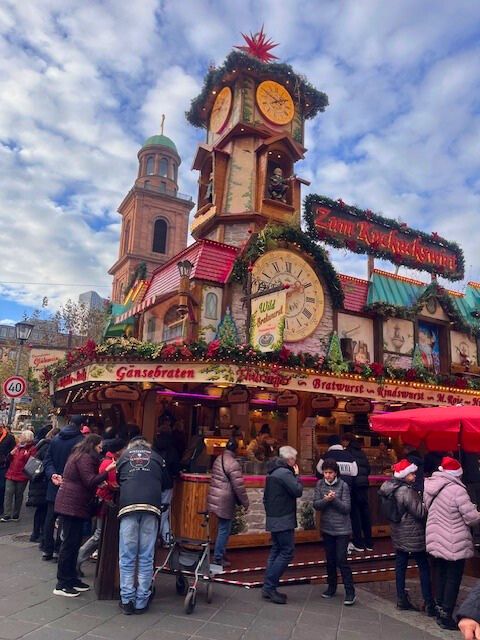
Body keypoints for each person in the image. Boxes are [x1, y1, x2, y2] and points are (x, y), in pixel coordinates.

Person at [53, 434, 115, 597]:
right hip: (72, 504)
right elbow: (89, 480)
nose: (101, 449)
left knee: (73, 543)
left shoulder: (81, 456)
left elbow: (85, 480)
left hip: (74, 504)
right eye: (100, 446)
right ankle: (62, 583)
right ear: (93, 445)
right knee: (69, 544)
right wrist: (106, 473)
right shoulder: (85, 458)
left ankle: (71, 579)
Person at [424, 456, 480, 630]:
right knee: (453, 578)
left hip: (436, 537)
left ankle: (439, 607)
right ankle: (446, 614)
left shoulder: (430, 485)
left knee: (440, 573)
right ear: (458, 473)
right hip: (454, 540)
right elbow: (471, 518)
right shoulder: (457, 490)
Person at [378, 459, 435, 614]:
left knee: (400, 565)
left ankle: (401, 598)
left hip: (398, 531)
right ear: (404, 475)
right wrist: (424, 503)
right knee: (423, 565)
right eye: (412, 473)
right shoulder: (406, 491)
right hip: (412, 533)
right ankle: (429, 602)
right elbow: (420, 513)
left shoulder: (389, 488)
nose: (414, 476)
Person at [116, 435, 165, 615]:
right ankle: (141, 601)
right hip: (151, 508)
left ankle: (127, 600)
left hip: (128, 507)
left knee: (127, 556)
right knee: (146, 556)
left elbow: (118, 478)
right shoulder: (157, 457)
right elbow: (166, 482)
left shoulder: (124, 456)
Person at [76, 438, 125, 575]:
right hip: (106, 503)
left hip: (103, 502)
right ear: (118, 451)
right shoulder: (110, 463)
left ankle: (80, 558)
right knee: (99, 535)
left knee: (99, 534)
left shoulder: (105, 460)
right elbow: (110, 484)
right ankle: (78, 558)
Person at [262, 446, 303, 604]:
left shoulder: (271, 473)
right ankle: (270, 586)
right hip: (284, 518)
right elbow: (297, 490)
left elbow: (265, 498)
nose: (295, 462)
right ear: (289, 460)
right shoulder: (285, 473)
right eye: (294, 459)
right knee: (287, 551)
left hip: (273, 517)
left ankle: (268, 585)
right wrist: (297, 476)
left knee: (276, 550)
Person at [313, 458, 356, 605]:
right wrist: (326, 500)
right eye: (325, 473)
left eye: (330, 473)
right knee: (330, 560)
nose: (327, 475)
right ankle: (331, 587)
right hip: (327, 528)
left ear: (336, 473)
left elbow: (347, 508)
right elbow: (316, 505)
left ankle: (350, 592)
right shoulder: (319, 484)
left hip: (342, 529)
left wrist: (334, 500)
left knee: (341, 560)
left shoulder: (343, 485)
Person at [42, 415, 84, 560]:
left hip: (54, 483)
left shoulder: (56, 439)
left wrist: (53, 475)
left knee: (50, 517)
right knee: (65, 520)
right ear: (81, 426)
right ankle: (58, 549)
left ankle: (47, 548)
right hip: (70, 484)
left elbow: (48, 460)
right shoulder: (81, 442)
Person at [207, 438, 249, 567]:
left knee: (222, 528)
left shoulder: (218, 459)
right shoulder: (233, 463)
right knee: (224, 529)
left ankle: (221, 553)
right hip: (225, 500)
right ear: (235, 449)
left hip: (215, 498)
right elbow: (239, 486)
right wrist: (245, 502)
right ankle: (218, 557)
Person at [27, 427, 60, 543]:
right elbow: (47, 464)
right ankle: (39, 534)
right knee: (43, 510)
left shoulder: (42, 444)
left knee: (40, 510)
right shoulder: (48, 447)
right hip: (43, 483)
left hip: (37, 482)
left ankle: (35, 533)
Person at [342, 433, 372, 552]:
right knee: (365, 513)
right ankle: (369, 543)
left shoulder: (348, 453)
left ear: (346, 441)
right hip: (364, 486)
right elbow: (368, 469)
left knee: (355, 515)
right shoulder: (362, 452)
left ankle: (358, 543)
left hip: (354, 486)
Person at [1, 429, 36, 522]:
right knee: (8, 493)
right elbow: (9, 459)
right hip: (11, 473)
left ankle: (16, 514)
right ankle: (7, 514)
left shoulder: (32, 449)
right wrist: (10, 454)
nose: (20, 437)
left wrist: (25, 455)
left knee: (19, 495)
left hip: (22, 475)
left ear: (27, 438)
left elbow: (32, 462)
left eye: (22, 436)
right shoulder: (17, 446)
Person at [154, 430, 181, 545]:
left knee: (155, 511)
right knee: (164, 511)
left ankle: (166, 538)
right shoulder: (172, 451)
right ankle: (159, 537)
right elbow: (176, 469)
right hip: (167, 484)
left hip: (154, 485)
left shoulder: (153, 451)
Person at [0, 424, 16, 517]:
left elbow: (14, 451)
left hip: (3, 466)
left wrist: (7, 459)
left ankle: (1, 508)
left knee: (1, 487)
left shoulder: (9, 438)